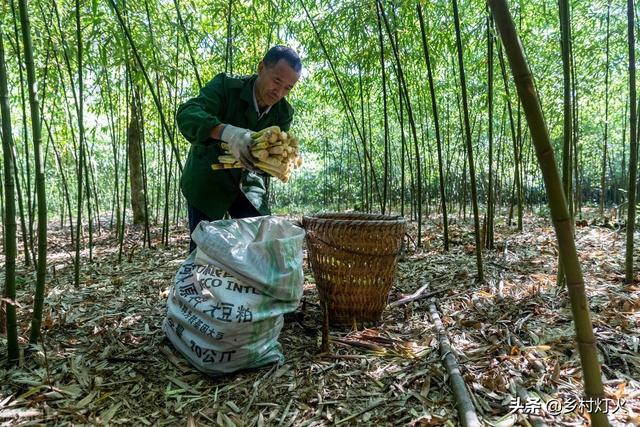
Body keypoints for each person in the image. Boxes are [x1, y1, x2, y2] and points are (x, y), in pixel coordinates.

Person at [176, 45, 302, 252]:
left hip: (248, 183)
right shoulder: (227, 86)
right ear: (261, 68)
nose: (279, 92)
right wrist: (228, 133)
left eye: (288, 87)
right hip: (207, 178)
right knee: (203, 250)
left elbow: (275, 152)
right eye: (277, 80)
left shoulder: (283, 112)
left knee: (260, 245)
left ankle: (249, 283)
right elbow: (187, 114)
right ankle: (200, 282)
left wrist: (269, 163)